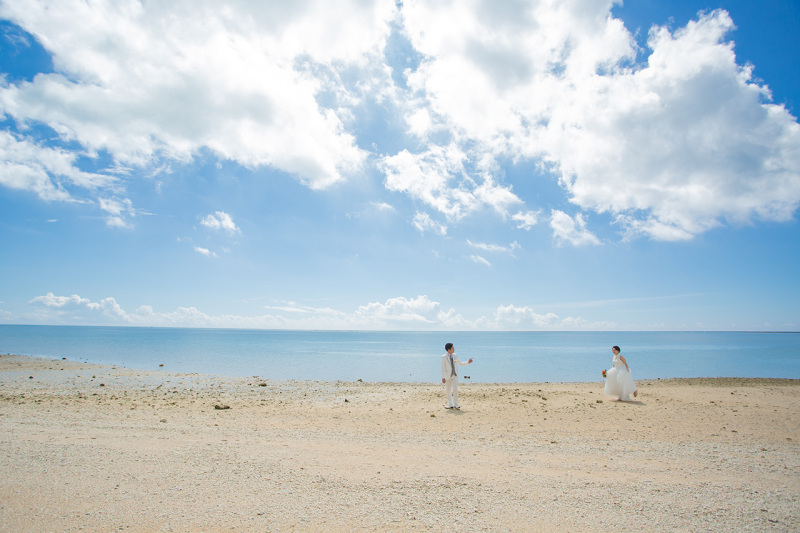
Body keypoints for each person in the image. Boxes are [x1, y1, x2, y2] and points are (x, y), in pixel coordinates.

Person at [441, 342, 473, 410]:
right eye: (452, 348)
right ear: (448, 349)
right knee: (448, 390)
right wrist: (443, 377)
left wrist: (468, 362)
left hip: (455, 375)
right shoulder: (443, 357)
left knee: (455, 389)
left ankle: (456, 404)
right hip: (447, 376)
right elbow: (442, 368)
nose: (454, 349)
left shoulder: (455, 355)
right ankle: (450, 404)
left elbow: (460, 363)